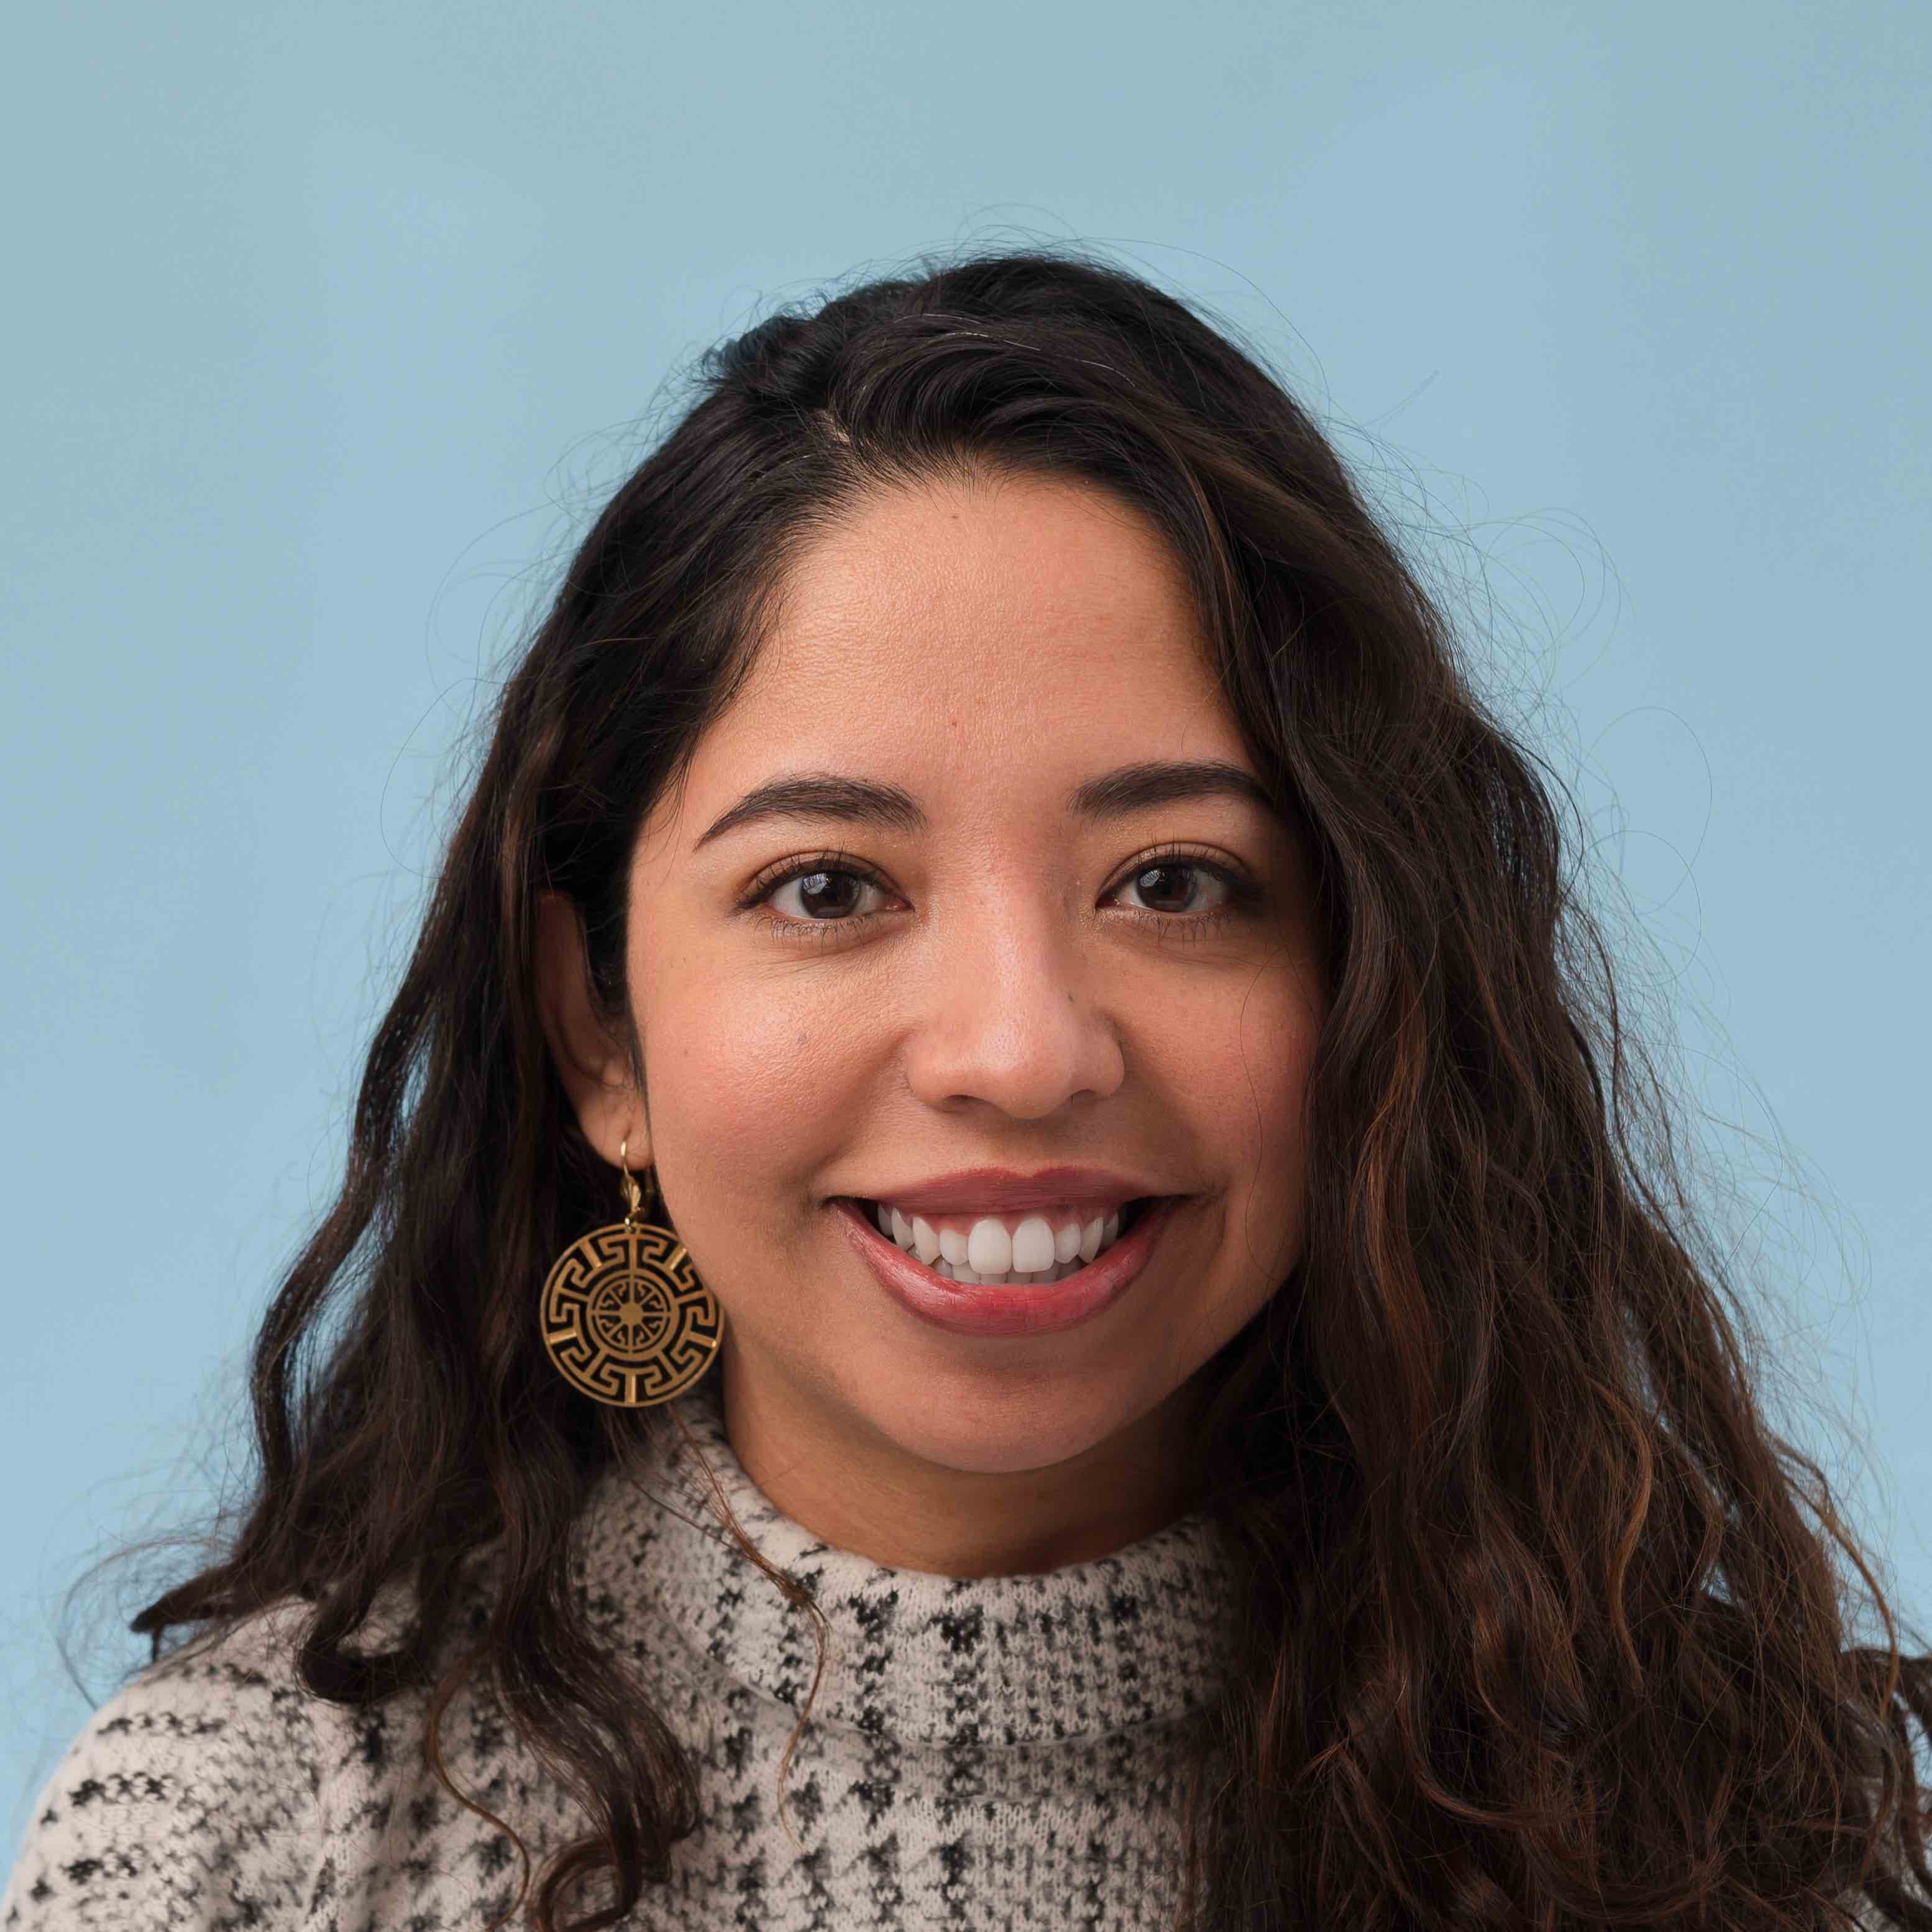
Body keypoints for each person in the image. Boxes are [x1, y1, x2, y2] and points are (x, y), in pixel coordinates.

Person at [6, 245, 1927, 1932]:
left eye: (1175, 884)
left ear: (1370, 988)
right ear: (603, 1031)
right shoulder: (231, 1853)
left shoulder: (1771, 1845)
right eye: (829, 888)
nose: (1019, 1051)